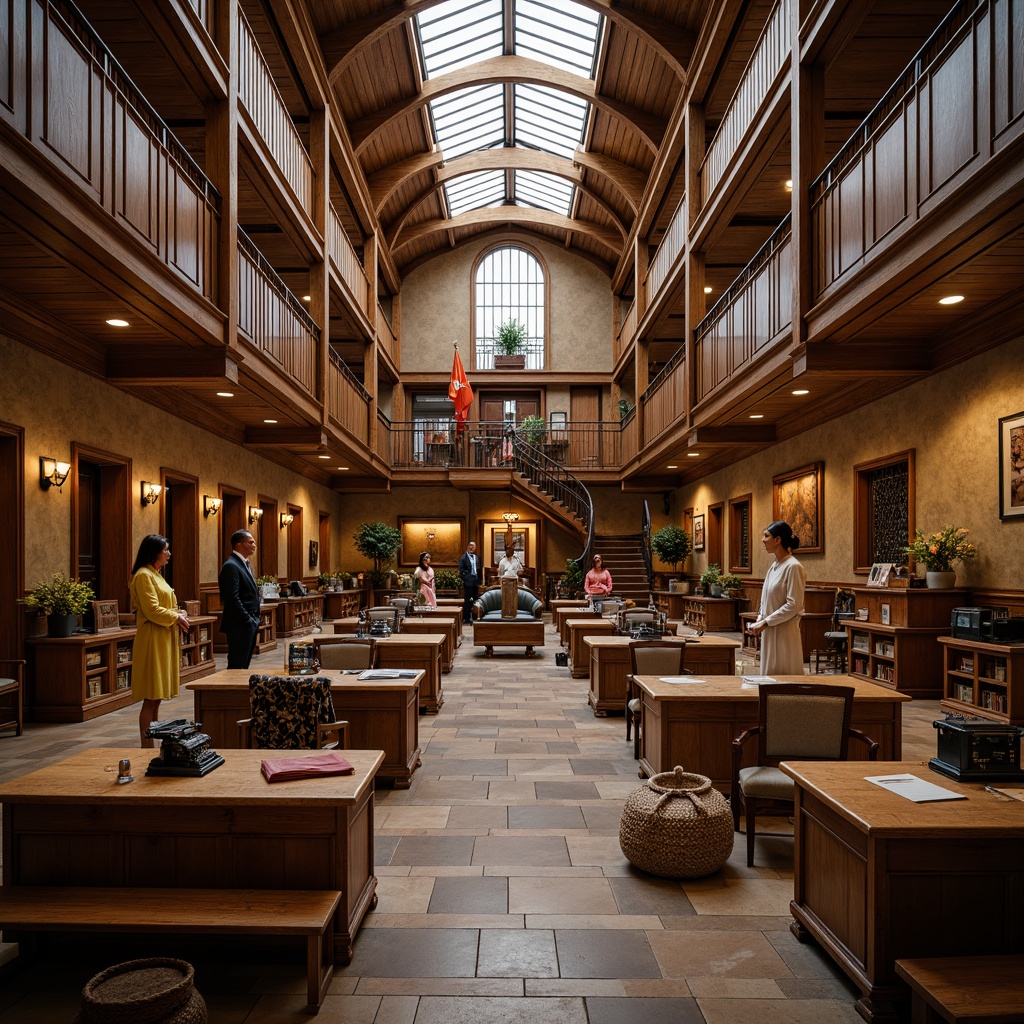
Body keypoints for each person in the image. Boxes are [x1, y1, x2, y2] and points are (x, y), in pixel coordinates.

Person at [129, 534, 190, 747]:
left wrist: (176, 612)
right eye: (166, 550)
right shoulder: (144, 575)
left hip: (162, 637)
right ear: (154, 551)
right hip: (152, 640)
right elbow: (152, 610)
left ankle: (152, 742)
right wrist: (176, 616)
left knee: (156, 698)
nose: (169, 554)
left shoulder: (155, 574)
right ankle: (146, 746)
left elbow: (161, 605)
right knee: (150, 696)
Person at [748, 520, 806, 675]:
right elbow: (766, 599)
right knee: (768, 675)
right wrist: (760, 620)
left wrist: (766, 622)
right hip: (769, 630)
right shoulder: (774, 566)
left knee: (784, 674)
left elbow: (794, 605)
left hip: (784, 632)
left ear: (778, 539)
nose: (763, 540)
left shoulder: (793, 567)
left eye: (766, 536)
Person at [218, 528, 261, 669]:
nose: (254, 545)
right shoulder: (231, 565)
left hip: (248, 623)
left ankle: (241, 688)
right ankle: (232, 690)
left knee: (244, 664)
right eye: (251, 542)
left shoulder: (244, 563)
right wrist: (247, 619)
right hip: (239, 624)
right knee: (237, 665)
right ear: (239, 544)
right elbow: (231, 598)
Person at [458, 540, 481, 623]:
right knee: (468, 600)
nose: (471, 547)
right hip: (468, 582)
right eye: (470, 545)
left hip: (475, 581)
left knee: (475, 599)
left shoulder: (476, 557)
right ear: (468, 547)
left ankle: (474, 616)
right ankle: (466, 618)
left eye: (473, 546)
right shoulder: (464, 558)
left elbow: (479, 569)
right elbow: (461, 571)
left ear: (475, 548)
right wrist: (467, 578)